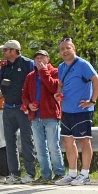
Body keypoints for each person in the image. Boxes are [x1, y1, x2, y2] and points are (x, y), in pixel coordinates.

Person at [56, 37, 98, 185]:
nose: (65, 51)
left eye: (68, 48)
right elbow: (60, 84)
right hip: (67, 109)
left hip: (82, 110)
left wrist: (92, 100)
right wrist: (58, 94)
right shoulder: (61, 67)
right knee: (67, 141)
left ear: (74, 49)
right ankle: (72, 173)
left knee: (83, 140)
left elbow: (97, 82)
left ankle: (85, 174)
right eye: (62, 49)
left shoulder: (83, 64)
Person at [0, 40, 36, 183]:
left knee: (27, 141)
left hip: (23, 107)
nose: (3, 53)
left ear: (13, 51)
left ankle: (30, 173)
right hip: (8, 107)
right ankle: (15, 173)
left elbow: (35, 83)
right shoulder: (4, 67)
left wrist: (31, 103)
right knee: (10, 141)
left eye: (5, 50)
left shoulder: (27, 63)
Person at [21, 49, 64, 183]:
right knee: (40, 148)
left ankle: (59, 173)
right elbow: (24, 94)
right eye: (36, 58)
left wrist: (44, 72)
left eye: (42, 57)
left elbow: (54, 88)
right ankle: (45, 174)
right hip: (35, 117)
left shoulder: (56, 72)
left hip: (50, 115)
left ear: (48, 59)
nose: (39, 60)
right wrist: (28, 105)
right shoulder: (30, 76)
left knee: (53, 145)